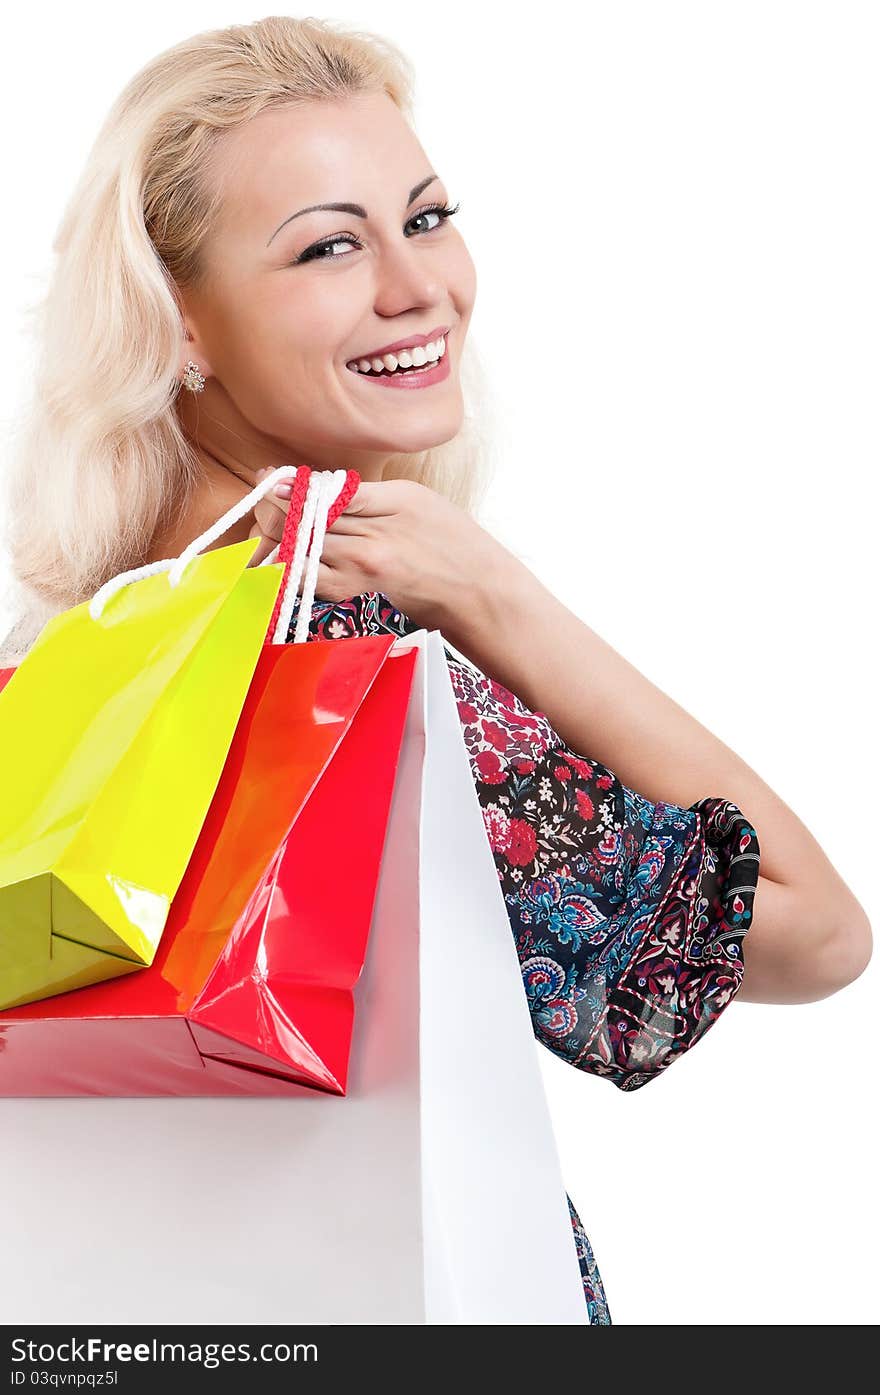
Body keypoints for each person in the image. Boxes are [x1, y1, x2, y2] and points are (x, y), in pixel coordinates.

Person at [0, 16, 871, 1325]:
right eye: (330, 245)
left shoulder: (57, 661)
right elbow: (814, 930)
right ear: (182, 326)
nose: (421, 289)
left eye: (427, 217)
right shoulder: (351, 658)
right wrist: (495, 596)